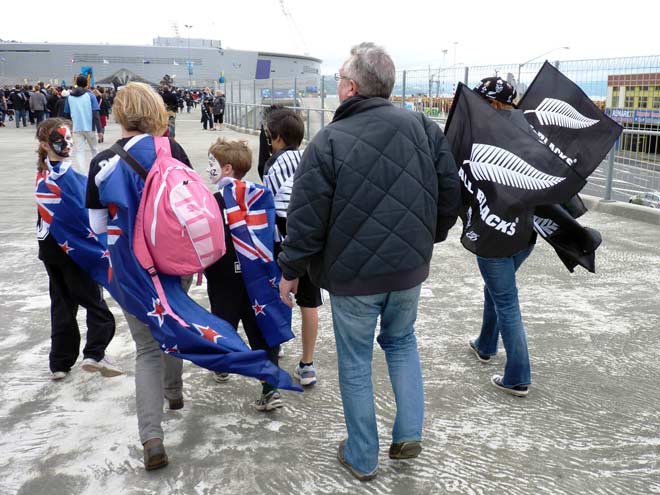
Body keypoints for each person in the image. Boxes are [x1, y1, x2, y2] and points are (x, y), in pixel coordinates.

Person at [278, 42, 461, 481]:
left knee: (356, 360)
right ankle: (408, 432)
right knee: (402, 342)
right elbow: (450, 190)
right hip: (409, 269)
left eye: (340, 76)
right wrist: (427, 238)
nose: (338, 82)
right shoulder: (422, 126)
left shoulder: (329, 141)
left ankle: (362, 455)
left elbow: (307, 218)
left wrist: (290, 270)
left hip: (352, 278)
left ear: (351, 87)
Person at [85, 82, 194, 471]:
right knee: (172, 333)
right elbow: (189, 211)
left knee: (147, 349)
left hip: (131, 273)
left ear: (118, 113)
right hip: (174, 265)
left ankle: (152, 438)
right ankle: (175, 393)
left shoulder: (101, 163)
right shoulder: (174, 151)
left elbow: (97, 228)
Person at [465, 77, 538, 397]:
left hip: (494, 234)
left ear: (494, 104)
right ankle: (485, 345)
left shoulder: (485, 134)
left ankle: (518, 376)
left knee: (507, 302)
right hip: (525, 233)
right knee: (497, 289)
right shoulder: (531, 132)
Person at [34, 117, 122, 380]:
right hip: (72, 250)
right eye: (60, 140)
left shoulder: (43, 174)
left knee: (62, 303)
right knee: (93, 301)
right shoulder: (61, 177)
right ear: (44, 144)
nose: (67, 144)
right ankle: (95, 352)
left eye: (69, 138)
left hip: (49, 248)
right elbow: (80, 213)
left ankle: (60, 362)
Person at [204, 138, 284, 410]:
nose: (208, 169)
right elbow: (274, 236)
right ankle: (270, 389)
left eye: (211, 164)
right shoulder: (260, 196)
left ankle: (223, 365)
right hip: (258, 280)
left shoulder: (212, 202)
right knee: (262, 332)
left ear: (227, 168)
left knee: (223, 326)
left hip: (223, 279)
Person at [263, 107, 321, 386]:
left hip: (283, 241)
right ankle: (307, 364)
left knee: (279, 297)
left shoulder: (273, 165)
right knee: (309, 303)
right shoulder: (312, 157)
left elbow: (272, 208)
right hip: (312, 241)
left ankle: (278, 343)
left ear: (276, 138)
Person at [64, 75, 101, 170]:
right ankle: (96, 171)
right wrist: (100, 131)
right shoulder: (91, 96)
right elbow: (96, 115)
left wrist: (68, 130)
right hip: (90, 127)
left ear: (76, 83)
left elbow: (66, 114)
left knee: (79, 152)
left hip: (76, 128)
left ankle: (82, 173)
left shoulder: (69, 97)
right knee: (94, 150)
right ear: (87, 84)